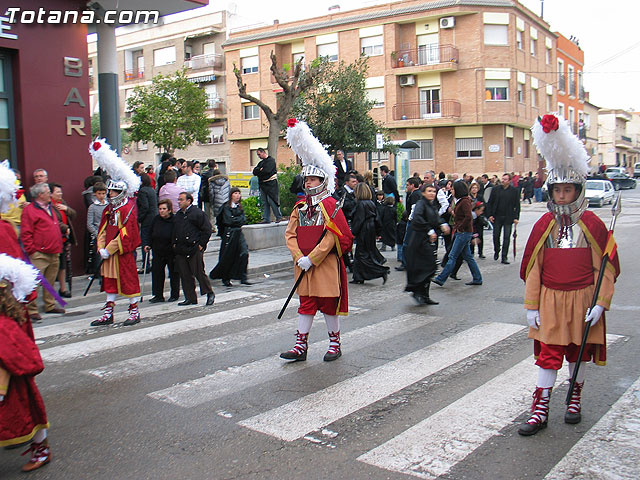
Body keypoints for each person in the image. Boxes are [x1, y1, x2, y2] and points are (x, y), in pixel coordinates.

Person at [518, 114, 620, 436]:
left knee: (578, 352)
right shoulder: (542, 226)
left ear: (577, 190)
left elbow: (604, 268)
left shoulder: (593, 225)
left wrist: (601, 303)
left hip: (583, 300)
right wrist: (532, 306)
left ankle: (574, 397)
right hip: (550, 300)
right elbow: (534, 268)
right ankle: (541, 407)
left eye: (567, 190)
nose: (562, 196)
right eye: (557, 191)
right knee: (548, 354)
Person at [280, 118, 353, 362]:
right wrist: (299, 257)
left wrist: (313, 258)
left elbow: (334, 236)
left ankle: (335, 344)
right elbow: (290, 234)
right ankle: (301, 346)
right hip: (302, 264)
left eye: (313, 180)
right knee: (306, 304)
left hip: (323, 264)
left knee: (328, 304)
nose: (308, 183)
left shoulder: (330, 205)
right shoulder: (300, 206)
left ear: (323, 181)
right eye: (307, 180)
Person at [89, 139, 142, 327]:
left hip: (122, 252)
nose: (109, 194)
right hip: (110, 252)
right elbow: (103, 229)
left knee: (128, 280)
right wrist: (101, 246)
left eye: (112, 192)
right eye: (109, 191)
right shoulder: (109, 209)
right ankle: (109, 312)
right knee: (109, 281)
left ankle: (134, 311)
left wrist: (109, 249)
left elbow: (127, 235)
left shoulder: (128, 210)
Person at [20, 183, 65, 321]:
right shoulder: (30, 210)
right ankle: (31, 308)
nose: (50, 195)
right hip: (39, 252)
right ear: (40, 195)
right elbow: (26, 232)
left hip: (54, 250)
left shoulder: (50, 207)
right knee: (35, 282)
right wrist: (31, 250)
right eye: (47, 192)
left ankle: (49, 304)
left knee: (50, 280)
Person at [405, 184, 450, 305]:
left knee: (430, 268)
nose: (432, 193)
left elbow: (435, 219)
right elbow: (417, 218)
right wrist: (429, 230)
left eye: (434, 191)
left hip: (428, 241)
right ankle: (418, 292)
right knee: (425, 267)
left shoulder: (432, 205)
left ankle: (424, 294)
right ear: (423, 192)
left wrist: (442, 224)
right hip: (419, 241)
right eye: (429, 191)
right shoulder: (421, 204)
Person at [432, 181, 483, 287]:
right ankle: (477, 278)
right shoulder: (462, 200)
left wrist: (460, 227)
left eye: (453, 189)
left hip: (463, 232)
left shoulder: (464, 201)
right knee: (468, 257)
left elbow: (468, 217)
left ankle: (441, 278)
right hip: (463, 232)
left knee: (452, 256)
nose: (452, 190)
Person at [173, 192, 215, 306]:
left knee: (199, 272)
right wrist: (175, 244)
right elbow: (175, 230)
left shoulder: (197, 213)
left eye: (181, 200)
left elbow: (207, 230)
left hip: (194, 247)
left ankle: (209, 293)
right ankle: (190, 297)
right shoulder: (178, 215)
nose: (179, 202)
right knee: (185, 274)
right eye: (178, 200)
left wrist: (201, 245)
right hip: (181, 248)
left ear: (188, 201)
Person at [209, 188, 251, 286]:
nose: (237, 195)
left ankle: (243, 276)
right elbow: (228, 220)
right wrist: (237, 219)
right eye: (235, 193)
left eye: (239, 193)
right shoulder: (226, 207)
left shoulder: (239, 207)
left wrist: (236, 219)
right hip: (229, 233)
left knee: (244, 253)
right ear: (231, 195)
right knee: (228, 255)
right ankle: (225, 277)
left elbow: (243, 219)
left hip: (238, 232)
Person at [351, 182, 389, 285]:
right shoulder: (371, 203)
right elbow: (377, 219)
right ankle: (358, 276)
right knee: (363, 253)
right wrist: (378, 231)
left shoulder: (360, 204)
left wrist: (353, 232)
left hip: (364, 230)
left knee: (361, 254)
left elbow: (359, 220)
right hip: (370, 230)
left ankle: (380, 271)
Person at [145, 199, 180, 303]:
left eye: (164, 209)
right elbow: (149, 232)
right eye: (160, 209)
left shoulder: (175, 220)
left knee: (174, 273)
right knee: (157, 273)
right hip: (158, 250)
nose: (161, 211)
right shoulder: (156, 219)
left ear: (169, 210)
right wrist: (147, 244)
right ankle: (158, 295)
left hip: (171, 251)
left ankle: (174, 294)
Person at [49, 183, 76, 298]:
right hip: (54, 238)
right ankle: (50, 293)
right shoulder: (48, 205)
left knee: (63, 264)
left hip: (64, 239)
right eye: (57, 192)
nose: (60, 194)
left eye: (60, 192)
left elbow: (74, 215)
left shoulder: (62, 203)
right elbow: (52, 220)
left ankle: (63, 288)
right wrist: (65, 228)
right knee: (54, 266)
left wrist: (67, 209)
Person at [487, 173, 520, 264]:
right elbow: (490, 203)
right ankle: (497, 249)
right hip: (497, 216)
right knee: (496, 235)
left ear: (509, 181)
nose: (503, 181)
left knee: (507, 237)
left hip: (508, 217)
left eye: (505, 179)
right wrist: (489, 215)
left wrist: (516, 217)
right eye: (502, 179)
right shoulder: (495, 190)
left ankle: (504, 256)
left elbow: (517, 205)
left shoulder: (514, 191)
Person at [253, 147, 283, 223]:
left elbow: (267, 171)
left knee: (272, 201)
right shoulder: (261, 163)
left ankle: (278, 217)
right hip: (263, 185)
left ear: (263, 152)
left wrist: (260, 172)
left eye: (259, 154)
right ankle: (266, 219)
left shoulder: (271, 161)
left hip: (271, 184)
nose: (258, 156)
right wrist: (259, 171)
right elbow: (254, 171)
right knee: (264, 202)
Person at [136, 173, 158, 274]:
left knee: (145, 241)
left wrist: (139, 218)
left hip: (147, 219)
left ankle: (145, 265)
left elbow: (145, 206)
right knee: (153, 241)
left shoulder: (142, 191)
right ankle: (154, 263)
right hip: (154, 218)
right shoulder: (151, 190)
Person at [86, 182, 108, 278]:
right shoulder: (92, 207)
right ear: (95, 193)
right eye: (99, 193)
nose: (101, 196)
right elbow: (89, 224)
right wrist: (97, 234)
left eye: (103, 193)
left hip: (109, 234)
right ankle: (100, 274)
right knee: (99, 256)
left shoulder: (109, 205)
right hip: (99, 235)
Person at [208, 169, 230, 236]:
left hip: (217, 201)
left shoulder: (212, 182)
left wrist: (211, 202)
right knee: (226, 216)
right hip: (226, 201)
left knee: (218, 217)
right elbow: (229, 191)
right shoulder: (226, 181)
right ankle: (226, 230)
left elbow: (211, 193)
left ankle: (220, 231)